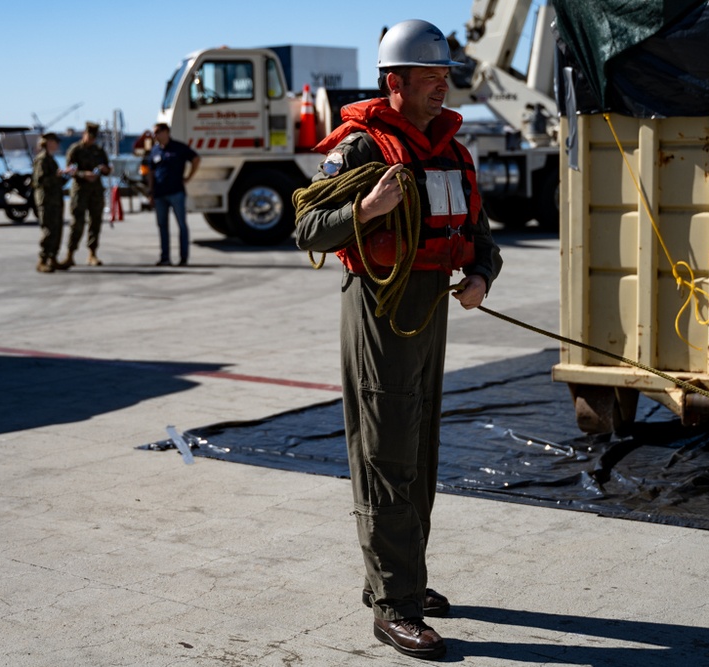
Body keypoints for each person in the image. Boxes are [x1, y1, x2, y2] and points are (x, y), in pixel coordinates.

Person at [295, 19, 502, 661]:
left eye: (446, 76)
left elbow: (483, 237)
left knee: (421, 446)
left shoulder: (451, 151)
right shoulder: (360, 150)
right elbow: (307, 226)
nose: (444, 86)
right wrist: (365, 212)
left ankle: (400, 577)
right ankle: (393, 605)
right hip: (379, 308)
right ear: (396, 83)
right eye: (430, 76)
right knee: (385, 450)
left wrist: (481, 277)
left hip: (432, 309)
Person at [149, 122, 200, 266]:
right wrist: (150, 192)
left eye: (158, 132)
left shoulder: (179, 147)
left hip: (176, 192)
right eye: (154, 133)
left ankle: (183, 258)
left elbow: (196, 159)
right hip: (160, 194)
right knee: (162, 226)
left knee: (182, 225)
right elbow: (151, 172)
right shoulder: (155, 151)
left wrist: (189, 177)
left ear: (166, 132)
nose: (155, 135)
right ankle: (165, 257)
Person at [61, 122, 112, 267]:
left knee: (95, 222)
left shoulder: (98, 150)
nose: (92, 140)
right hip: (80, 191)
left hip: (96, 191)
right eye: (90, 136)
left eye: (94, 137)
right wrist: (84, 174)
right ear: (84, 134)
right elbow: (69, 169)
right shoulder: (75, 150)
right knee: (77, 222)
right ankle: (70, 254)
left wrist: (105, 170)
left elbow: (107, 168)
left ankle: (92, 254)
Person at [32, 132, 68, 273]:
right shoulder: (42, 159)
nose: (57, 144)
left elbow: (56, 182)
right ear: (48, 143)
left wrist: (65, 176)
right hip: (47, 200)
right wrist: (56, 175)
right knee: (48, 230)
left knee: (57, 230)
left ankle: (52, 258)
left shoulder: (51, 159)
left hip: (55, 199)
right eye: (55, 142)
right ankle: (42, 260)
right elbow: (40, 181)